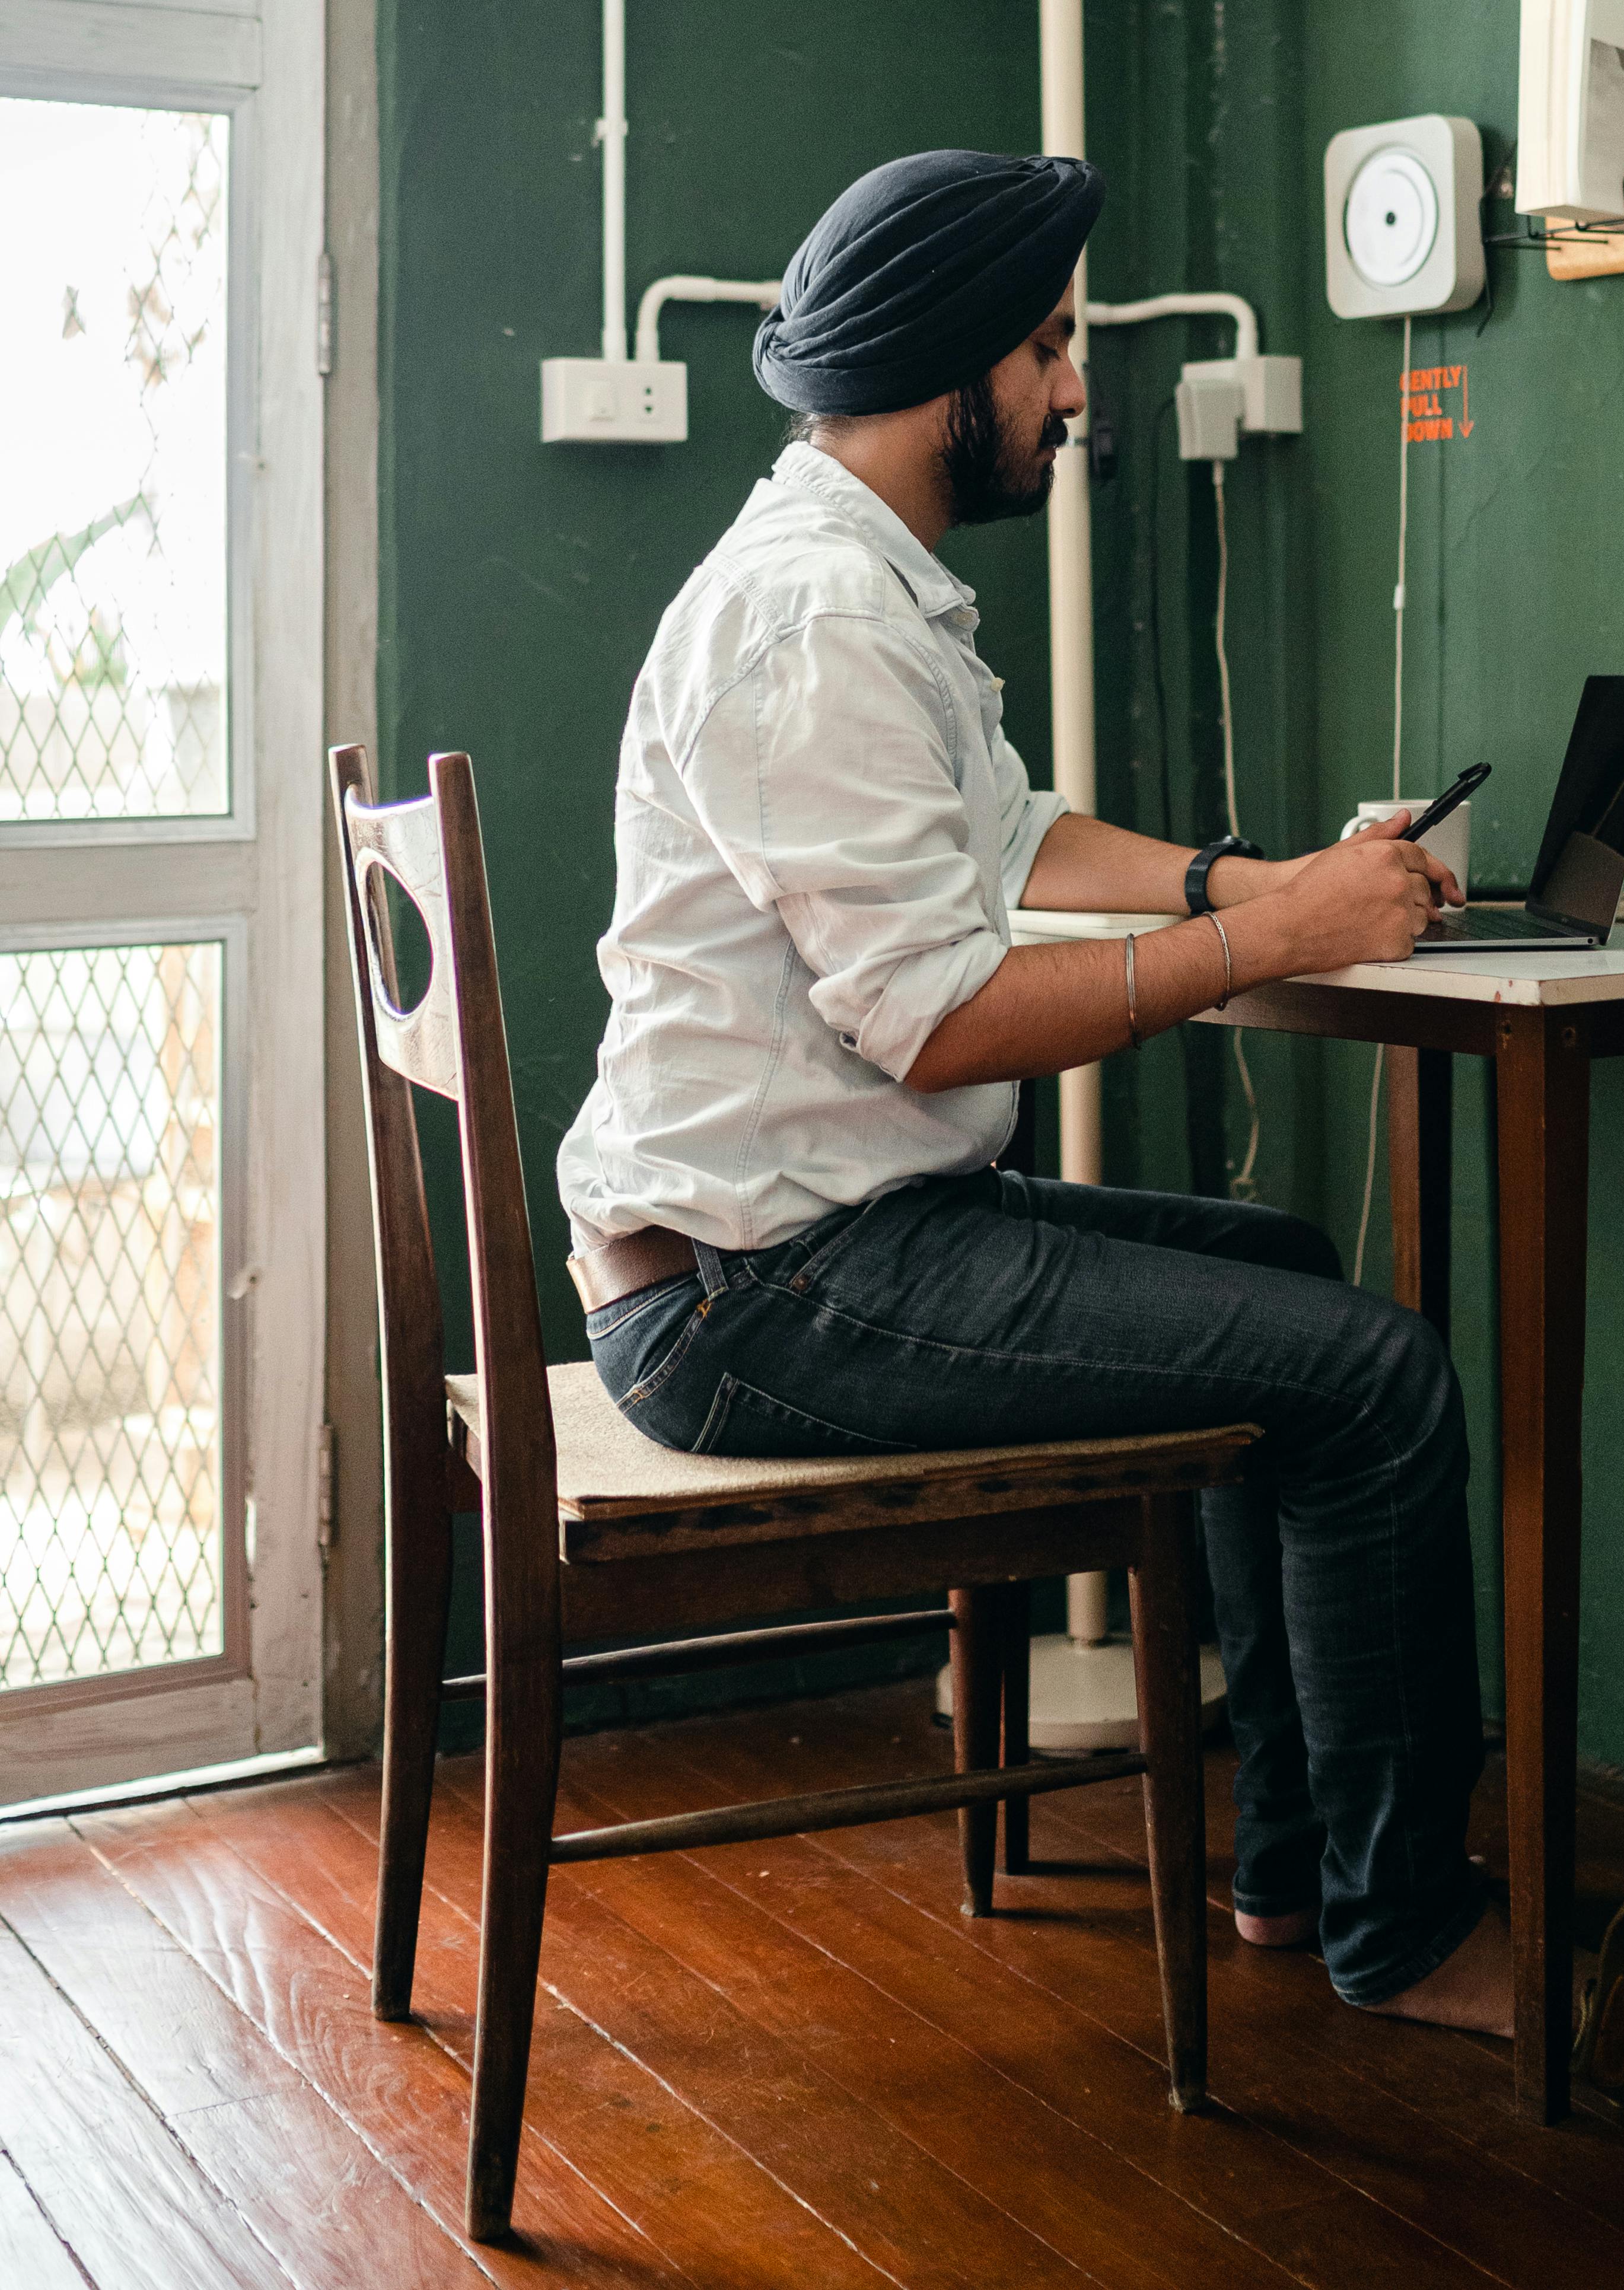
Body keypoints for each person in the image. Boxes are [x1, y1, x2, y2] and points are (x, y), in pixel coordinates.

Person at [558, 146, 1512, 2032]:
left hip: (812, 1242)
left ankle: (1295, 1870)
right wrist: (1282, 935)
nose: (1076, 389)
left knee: (1295, 1276)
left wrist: (1258, 881)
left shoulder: (860, 585)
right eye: (1051, 348)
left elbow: (1013, 839)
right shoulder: (819, 625)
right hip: (762, 1296)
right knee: (1380, 1377)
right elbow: (934, 1022)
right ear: (948, 370)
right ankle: (1405, 1928)